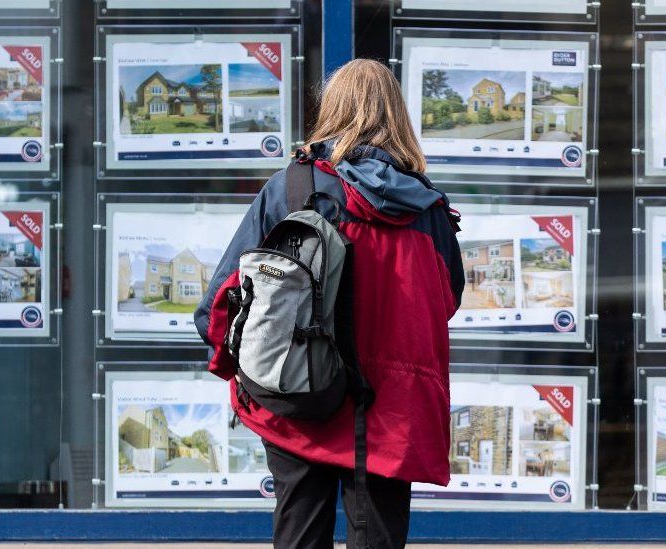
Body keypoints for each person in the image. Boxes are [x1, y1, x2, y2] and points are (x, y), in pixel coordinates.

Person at [195, 58, 464, 549]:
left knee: (299, 533)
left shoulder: (294, 189)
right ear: (399, 115)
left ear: (332, 108)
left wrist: (235, 363)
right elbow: (447, 301)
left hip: (297, 389)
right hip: (391, 410)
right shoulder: (428, 209)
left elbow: (223, 297)